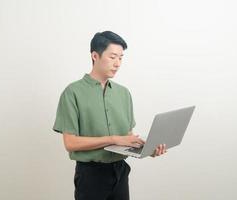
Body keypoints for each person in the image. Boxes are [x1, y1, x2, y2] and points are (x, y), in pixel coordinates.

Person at [52, 30, 167, 200]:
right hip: (90, 176)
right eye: (112, 57)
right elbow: (70, 143)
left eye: (121, 58)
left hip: (120, 172)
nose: (117, 63)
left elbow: (127, 137)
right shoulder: (72, 93)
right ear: (95, 56)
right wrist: (113, 139)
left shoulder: (124, 93)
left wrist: (147, 149)